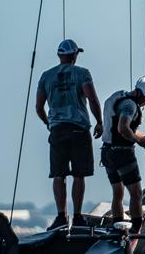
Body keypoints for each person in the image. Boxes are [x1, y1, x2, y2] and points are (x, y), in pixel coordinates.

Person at [36, 39, 103, 230]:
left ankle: (61, 217)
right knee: (79, 175)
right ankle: (78, 216)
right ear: (74, 55)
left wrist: (49, 123)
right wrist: (99, 121)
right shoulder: (82, 73)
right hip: (79, 128)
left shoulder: (46, 76)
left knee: (58, 174)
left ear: (59, 55)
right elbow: (92, 99)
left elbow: (38, 107)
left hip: (57, 129)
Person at [100, 77, 145, 232]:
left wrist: (141, 137)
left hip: (107, 152)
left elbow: (119, 129)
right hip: (123, 154)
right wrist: (138, 141)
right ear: (142, 94)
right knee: (136, 193)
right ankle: (137, 228)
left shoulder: (119, 97)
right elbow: (123, 128)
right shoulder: (130, 106)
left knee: (118, 191)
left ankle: (117, 225)